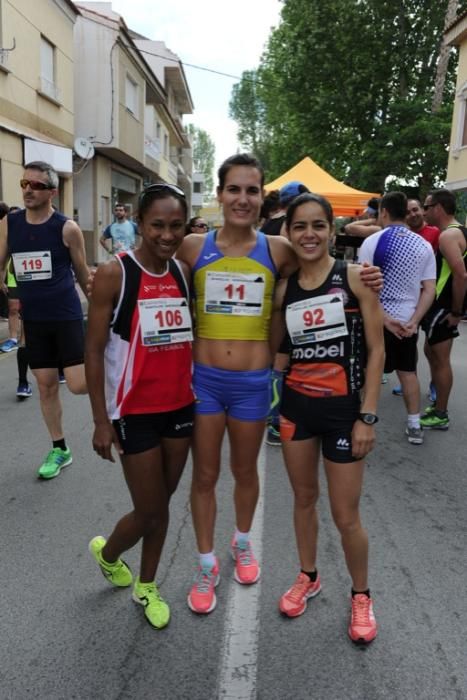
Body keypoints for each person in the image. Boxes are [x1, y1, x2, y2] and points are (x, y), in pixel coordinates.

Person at [174, 153, 382, 615]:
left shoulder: (278, 249)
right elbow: (154, 272)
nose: (242, 199)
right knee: (205, 476)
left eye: (251, 190)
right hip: (204, 381)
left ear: (262, 197)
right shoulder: (192, 247)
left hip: (253, 384)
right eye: (233, 189)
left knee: (246, 473)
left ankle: (242, 542)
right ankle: (207, 563)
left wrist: (367, 275)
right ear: (220, 194)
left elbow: (318, 270)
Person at [270, 192, 384, 644]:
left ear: (332, 231)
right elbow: (278, 351)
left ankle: (361, 595)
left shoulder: (355, 279)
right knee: (302, 500)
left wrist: (368, 417)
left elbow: (376, 352)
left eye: (318, 225)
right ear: (289, 233)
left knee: (346, 516)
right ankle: (308, 575)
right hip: (297, 410)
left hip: (344, 415)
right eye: (300, 226)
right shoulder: (283, 289)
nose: (310, 234)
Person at [85, 183, 194, 630]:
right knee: (149, 509)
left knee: (163, 505)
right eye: (157, 225)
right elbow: (92, 351)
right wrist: (100, 421)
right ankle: (109, 554)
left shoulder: (184, 271)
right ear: (140, 225)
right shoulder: (116, 274)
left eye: (175, 226)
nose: (167, 235)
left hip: (181, 407)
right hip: (133, 412)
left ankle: (147, 585)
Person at [0, 161, 89, 478]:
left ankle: (118, 382)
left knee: (78, 385)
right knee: (47, 386)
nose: (28, 190)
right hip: (34, 320)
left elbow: (82, 273)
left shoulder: (67, 228)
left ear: (53, 191)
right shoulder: (10, 224)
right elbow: (1, 263)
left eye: (36, 186)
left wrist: (105, 317)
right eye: (25, 183)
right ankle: (60, 448)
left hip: (65, 316)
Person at [359, 191, 436, 445]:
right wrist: (415, 320)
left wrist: (382, 318)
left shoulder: (372, 242)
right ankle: (415, 424)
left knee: (369, 370)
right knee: (408, 372)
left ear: (383, 212)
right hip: (407, 321)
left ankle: (361, 420)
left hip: (376, 319)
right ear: (405, 212)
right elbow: (429, 289)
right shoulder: (423, 245)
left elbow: (363, 288)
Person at [420, 189, 467, 430]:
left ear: (438, 207)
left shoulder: (448, 236)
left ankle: (441, 413)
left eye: (427, 207)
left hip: (444, 306)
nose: (424, 212)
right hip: (444, 305)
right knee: (431, 351)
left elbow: (461, 274)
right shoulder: (458, 231)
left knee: (440, 359)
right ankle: (439, 403)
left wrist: (457, 312)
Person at [392, 198, 440, 399]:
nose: (413, 214)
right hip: (410, 300)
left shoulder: (436, 234)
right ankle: (408, 379)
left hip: (431, 298)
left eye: (415, 210)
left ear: (422, 210)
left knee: (433, 348)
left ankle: (436, 384)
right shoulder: (403, 236)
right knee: (411, 342)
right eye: (408, 212)